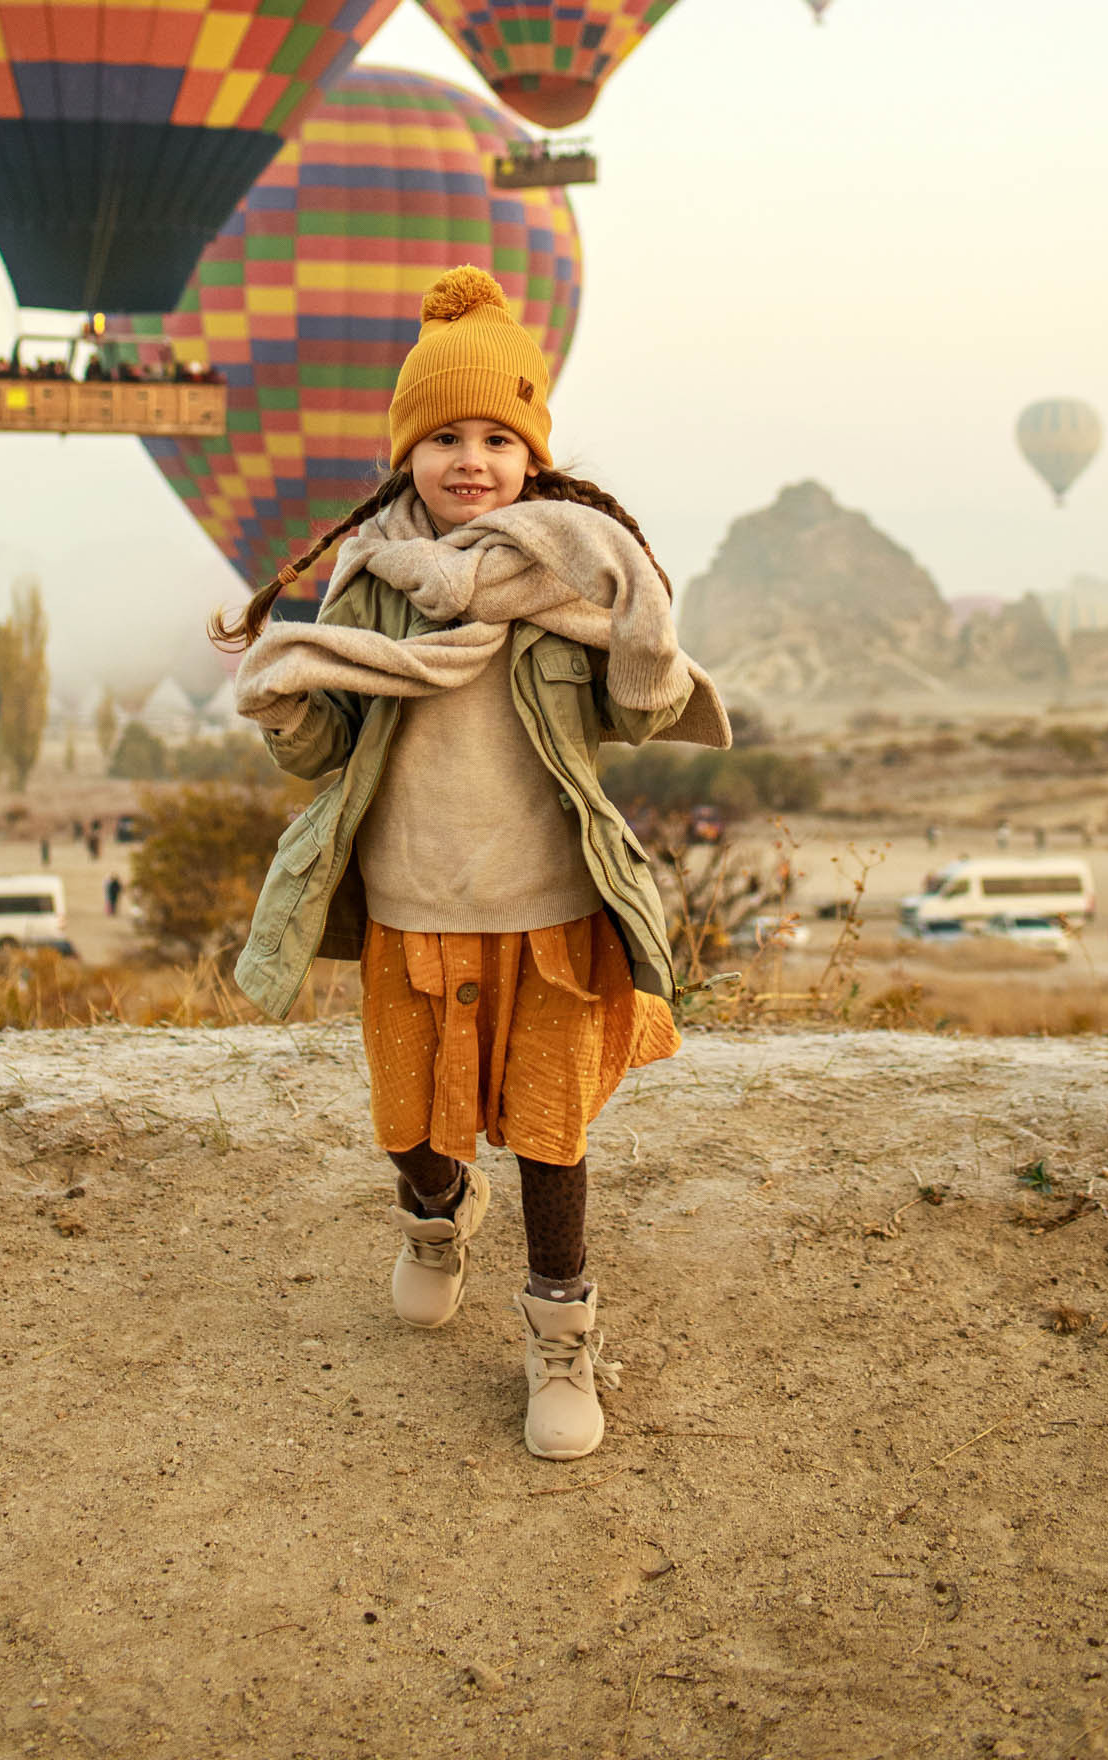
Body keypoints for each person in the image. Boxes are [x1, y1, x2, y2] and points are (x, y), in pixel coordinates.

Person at [222, 266, 726, 1462]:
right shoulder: (368, 590)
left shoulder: (572, 580)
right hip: (410, 905)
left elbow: (635, 716)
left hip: (548, 906)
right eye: (442, 436)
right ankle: (435, 1212)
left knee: (550, 1133)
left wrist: (645, 653)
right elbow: (327, 754)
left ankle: (560, 1338)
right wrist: (287, 704)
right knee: (410, 1120)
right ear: (404, 454)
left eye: (496, 437)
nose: (469, 459)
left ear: (531, 457)